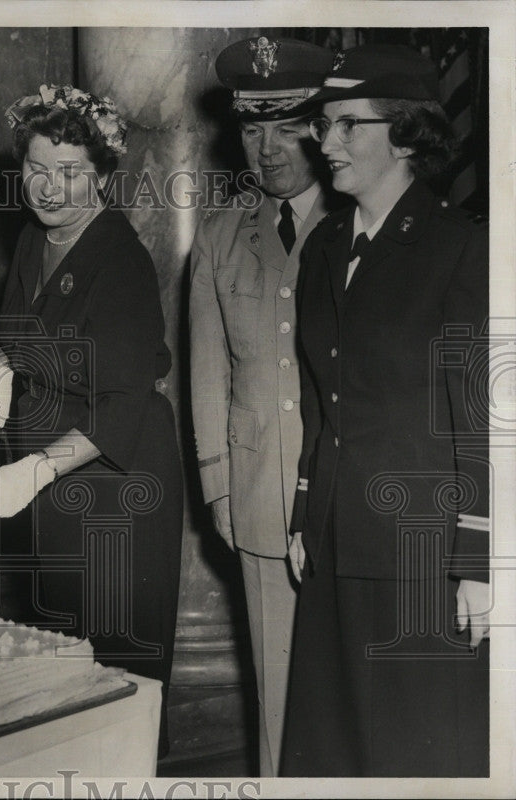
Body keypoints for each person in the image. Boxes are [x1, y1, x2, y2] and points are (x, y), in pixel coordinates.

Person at [281, 45, 490, 776]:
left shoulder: (459, 248)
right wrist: (307, 511)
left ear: (405, 135)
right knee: (331, 749)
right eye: (323, 125)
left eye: (346, 126)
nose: (325, 143)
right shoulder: (325, 248)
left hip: (420, 552)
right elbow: (319, 397)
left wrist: (479, 560)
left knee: (415, 754)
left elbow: (481, 415)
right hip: (336, 539)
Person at [0, 84, 184, 756]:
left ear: (102, 175)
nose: (50, 188)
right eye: (36, 169)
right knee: (67, 680)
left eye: (70, 173)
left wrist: (31, 471)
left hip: (121, 493)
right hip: (58, 492)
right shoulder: (34, 241)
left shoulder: (121, 262)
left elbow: (122, 402)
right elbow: (14, 326)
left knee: (117, 682)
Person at [188, 36, 335, 777]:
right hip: (256, 499)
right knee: (275, 701)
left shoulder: (352, 226)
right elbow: (208, 374)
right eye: (252, 127)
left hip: (344, 498)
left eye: (286, 124)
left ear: (321, 124)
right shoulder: (217, 238)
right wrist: (218, 485)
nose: (268, 147)